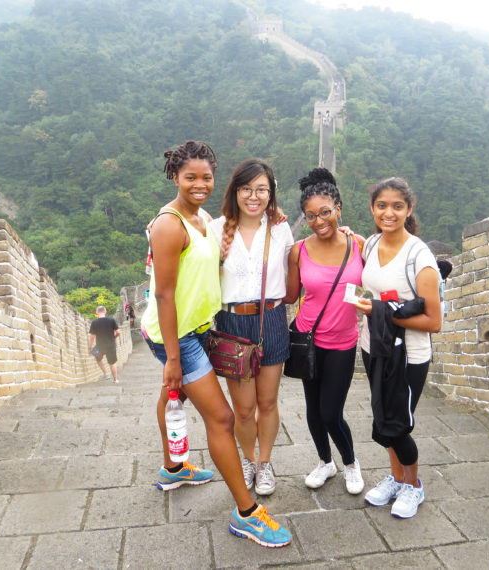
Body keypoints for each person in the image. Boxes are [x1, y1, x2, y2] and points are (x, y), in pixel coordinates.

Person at [140, 141, 291, 548]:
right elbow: (164, 295)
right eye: (190, 177)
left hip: (200, 329)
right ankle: (247, 513)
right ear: (175, 177)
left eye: (206, 177)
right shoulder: (170, 224)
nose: (199, 184)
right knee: (223, 420)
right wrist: (173, 356)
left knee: (176, 396)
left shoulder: (204, 218)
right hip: (179, 336)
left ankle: (174, 467)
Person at [354, 176, 442, 519]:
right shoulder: (371, 244)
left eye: (397, 206)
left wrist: (379, 312)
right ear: (372, 208)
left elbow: (433, 322)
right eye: (381, 206)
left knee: (398, 425)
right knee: (382, 419)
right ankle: (395, 477)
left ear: (409, 209)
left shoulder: (420, 259)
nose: (388, 213)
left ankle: (413, 485)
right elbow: (370, 290)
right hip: (373, 346)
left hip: (408, 356)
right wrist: (366, 304)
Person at [209, 158, 293, 496]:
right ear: (236, 191)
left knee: (268, 402)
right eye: (247, 189)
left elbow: (308, 255)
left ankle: (265, 462)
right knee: (243, 409)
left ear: (271, 194)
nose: (253, 196)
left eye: (261, 190)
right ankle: (247, 459)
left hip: (271, 318)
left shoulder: (280, 229)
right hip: (231, 323)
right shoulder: (215, 230)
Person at [284, 168, 365, 495]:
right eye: (310, 216)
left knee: (331, 412)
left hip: (343, 343)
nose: (318, 221)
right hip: (307, 340)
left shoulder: (358, 244)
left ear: (339, 209)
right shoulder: (299, 250)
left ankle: (350, 463)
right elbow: (290, 295)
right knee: (313, 410)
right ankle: (325, 462)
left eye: (325, 213)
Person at [88, 306, 120, 383]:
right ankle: (115, 380)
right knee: (112, 363)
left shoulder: (94, 323)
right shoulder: (111, 320)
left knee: (97, 357)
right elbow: (118, 332)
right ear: (105, 312)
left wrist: (89, 348)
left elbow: (92, 337)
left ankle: (106, 373)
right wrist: (114, 337)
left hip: (100, 347)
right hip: (111, 346)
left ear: (97, 313)